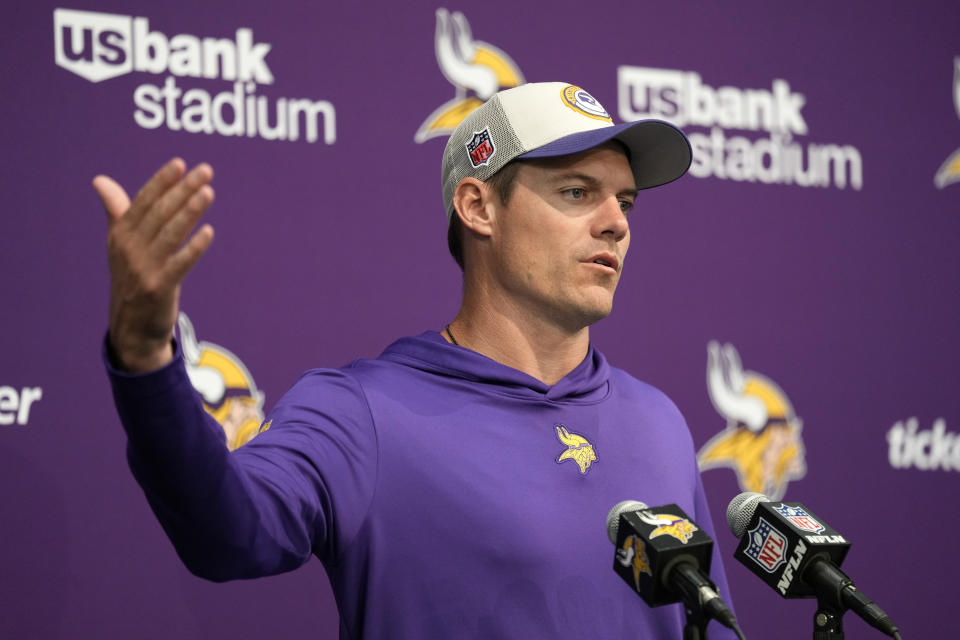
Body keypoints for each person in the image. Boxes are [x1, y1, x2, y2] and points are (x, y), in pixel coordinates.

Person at [96, 82, 739, 639]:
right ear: (478, 207)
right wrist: (147, 359)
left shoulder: (659, 419)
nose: (616, 224)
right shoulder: (359, 413)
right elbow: (224, 532)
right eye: (577, 192)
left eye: (624, 202)